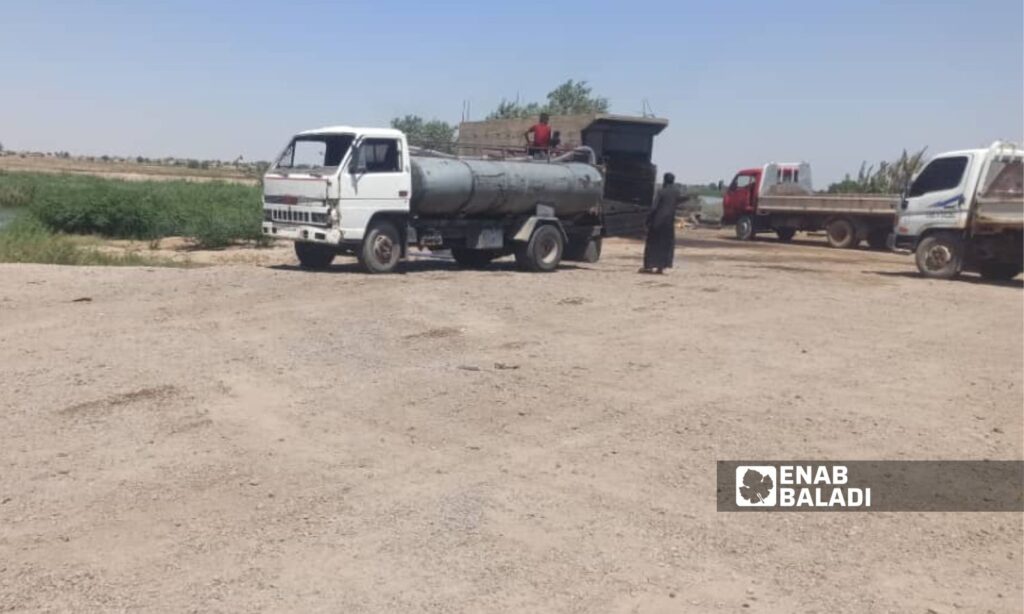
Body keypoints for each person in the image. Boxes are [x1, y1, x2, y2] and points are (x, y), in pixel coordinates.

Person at [641, 173, 684, 274]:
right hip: (668, 223)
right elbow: (680, 200)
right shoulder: (676, 192)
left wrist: (647, 220)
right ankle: (661, 267)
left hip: (657, 221)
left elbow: (654, 207)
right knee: (666, 245)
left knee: (652, 244)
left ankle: (649, 266)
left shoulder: (661, 191)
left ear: (665, 180)